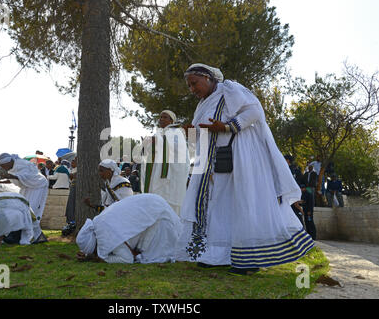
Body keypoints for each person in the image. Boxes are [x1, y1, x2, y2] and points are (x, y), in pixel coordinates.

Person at [176, 63, 314, 275]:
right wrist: (191, 134)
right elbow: (203, 137)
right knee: (218, 208)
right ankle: (216, 256)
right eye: (189, 86)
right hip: (215, 165)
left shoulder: (230, 89)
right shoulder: (203, 105)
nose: (192, 89)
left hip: (240, 159)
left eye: (194, 83)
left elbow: (254, 111)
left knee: (243, 204)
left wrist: (226, 126)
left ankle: (249, 259)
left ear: (208, 78)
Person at [76, 193, 181, 264]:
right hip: (152, 204)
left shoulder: (106, 237)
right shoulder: (99, 223)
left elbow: (127, 259)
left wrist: (104, 259)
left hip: (156, 217)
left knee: (156, 254)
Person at [0, 153, 49, 244]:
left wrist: (11, 176)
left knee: (32, 211)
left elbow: (27, 177)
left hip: (38, 187)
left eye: (4, 166)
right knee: (21, 209)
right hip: (26, 188)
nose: (4, 168)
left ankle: (34, 236)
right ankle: (24, 235)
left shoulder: (23, 164)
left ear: (9, 162)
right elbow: (14, 179)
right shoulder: (12, 168)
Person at [140, 110, 190, 215]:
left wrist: (157, 141)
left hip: (171, 175)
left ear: (172, 121)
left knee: (169, 206)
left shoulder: (177, 132)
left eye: (165, 117)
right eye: (160, 117)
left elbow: (178, 150)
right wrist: (147, 145)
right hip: (156, 174)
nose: (161, 119)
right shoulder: (158, 133)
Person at [62, 157, 78, 237]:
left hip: (75, 190)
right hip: (72, 188)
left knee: (72, 205)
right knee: (70, 206)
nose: (72, 162)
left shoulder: (78, 170)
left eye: (74, 161)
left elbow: (73, 176)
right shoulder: (73, 169)